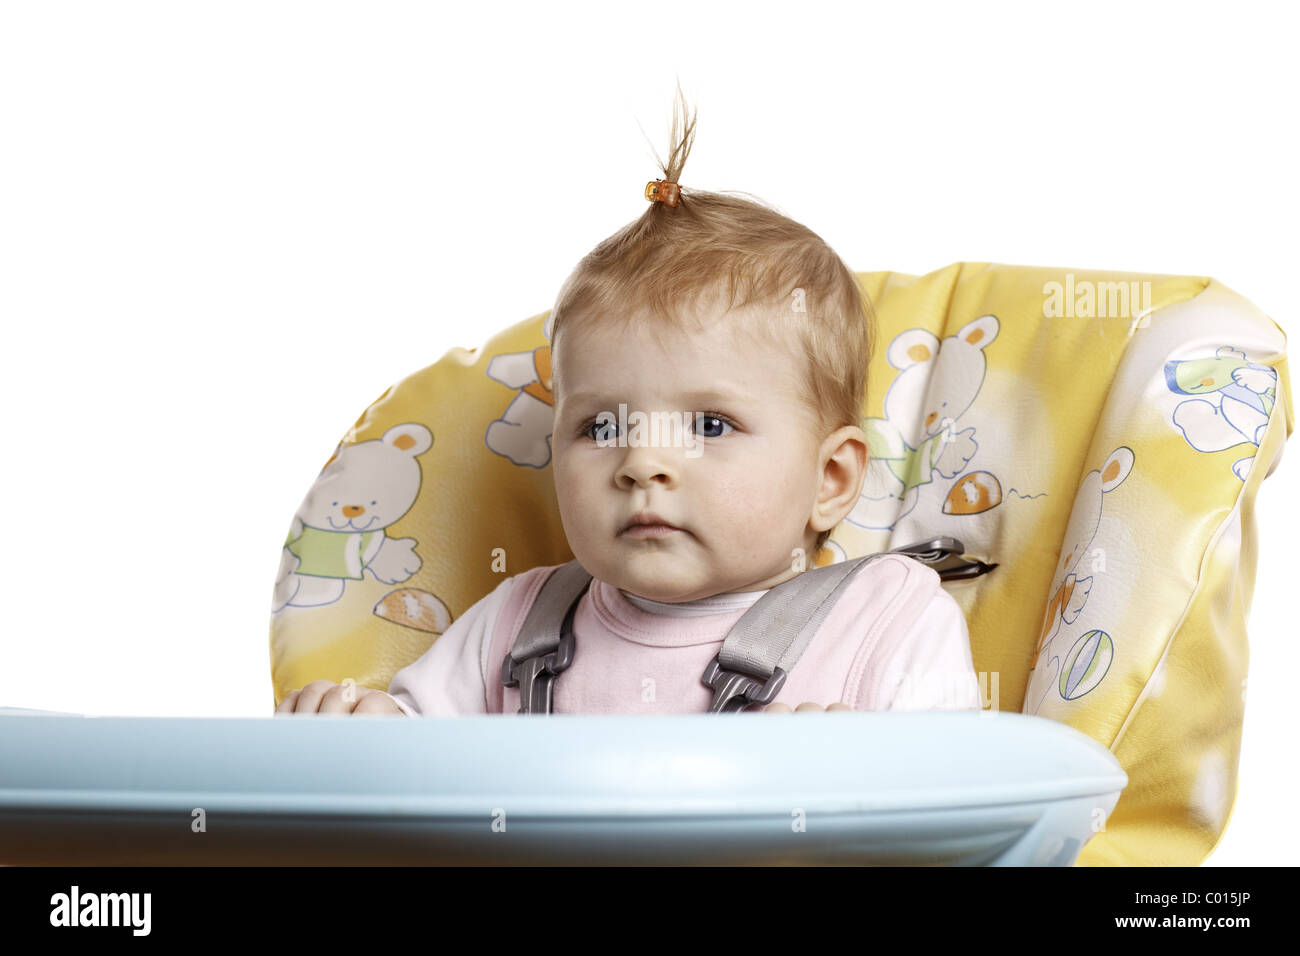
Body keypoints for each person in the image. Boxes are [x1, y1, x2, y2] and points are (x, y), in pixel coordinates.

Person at [277, 88, 981, 718]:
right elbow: (417, 771)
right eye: (600, 425)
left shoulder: (888, 621)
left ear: (830, 480)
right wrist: (365, 730)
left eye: (710, 424)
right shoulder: (517, 625)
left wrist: (865, 782)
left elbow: (970, 815)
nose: (643, 461)